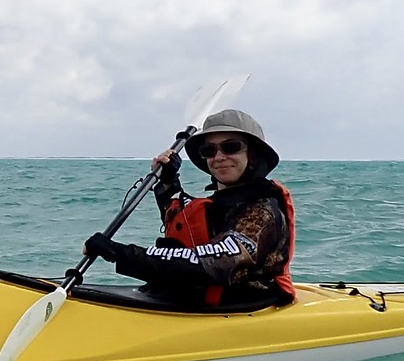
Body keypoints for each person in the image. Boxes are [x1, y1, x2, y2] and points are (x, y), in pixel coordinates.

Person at [83, 108, 296, 307]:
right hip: (196, 299)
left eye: (231, 147)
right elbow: (183, 220)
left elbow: (214, 263)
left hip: (239, 306)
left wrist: (119, 253)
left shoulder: (262, 212)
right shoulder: (223, 204)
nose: (219, 157)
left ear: (254, 154)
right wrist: (167, 182)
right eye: (209, 150)